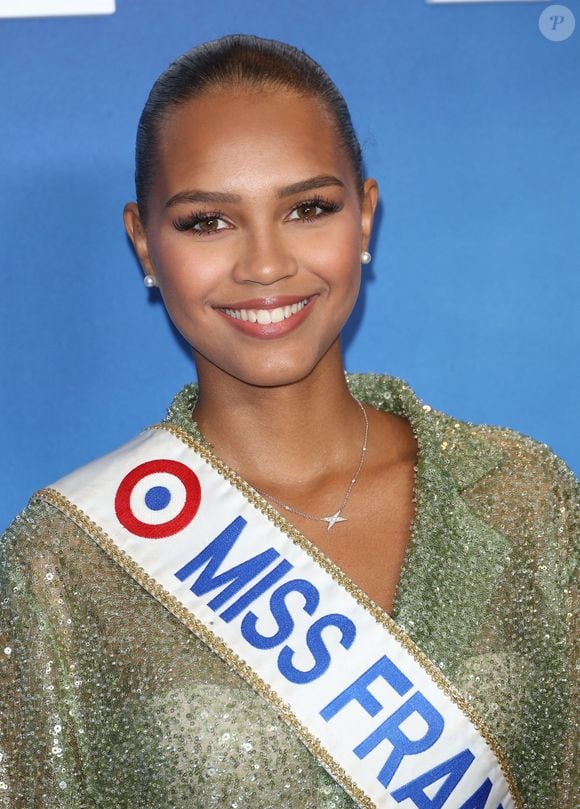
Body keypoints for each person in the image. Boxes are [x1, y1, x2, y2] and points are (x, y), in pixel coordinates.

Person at [0, 34, 576, 809]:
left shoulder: (523, 497)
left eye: (308, 208)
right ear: (143, 240)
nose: (266, 264)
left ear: (364, 217)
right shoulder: (66, 559)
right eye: (208, 221)